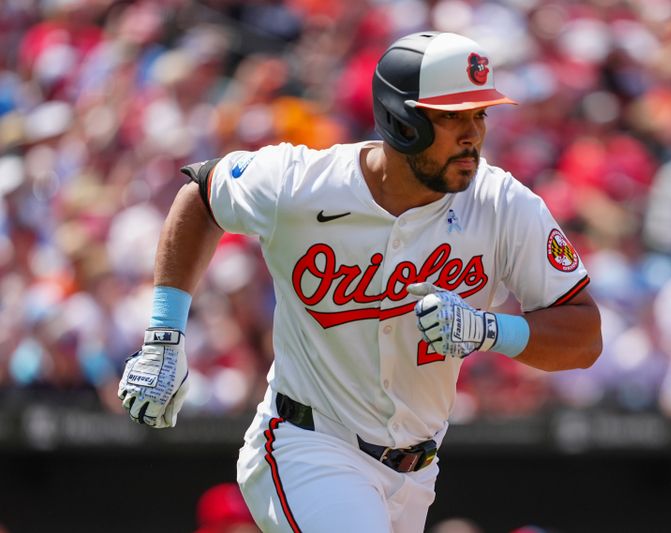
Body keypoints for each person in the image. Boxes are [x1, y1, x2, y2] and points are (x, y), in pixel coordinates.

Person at [117, 31, 602, 533]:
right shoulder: (303, 181)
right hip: (308, 443)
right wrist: (163, 339)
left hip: (417, 472)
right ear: (402, 119)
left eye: (480, 114)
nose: (472, 133)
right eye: (452, 116)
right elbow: (202, 196)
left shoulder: (504, 205)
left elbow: (584, 335)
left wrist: (492, 331)